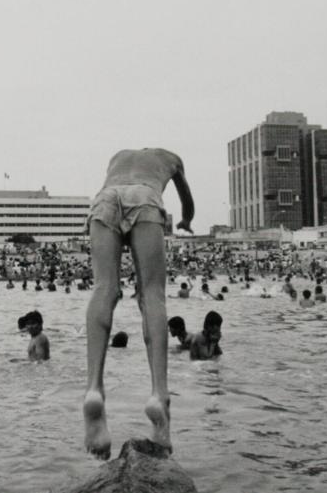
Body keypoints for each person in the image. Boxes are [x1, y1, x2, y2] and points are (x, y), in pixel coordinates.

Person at [83, 148, 194, 459]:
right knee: (152, 294)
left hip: (105, 198)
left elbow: (112, 184)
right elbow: (188, 203)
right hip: (145, 197)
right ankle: (159, 395)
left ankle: (94, 389)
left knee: (104, 288)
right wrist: (185, 220)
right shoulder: (172, 158)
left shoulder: (116, 157)